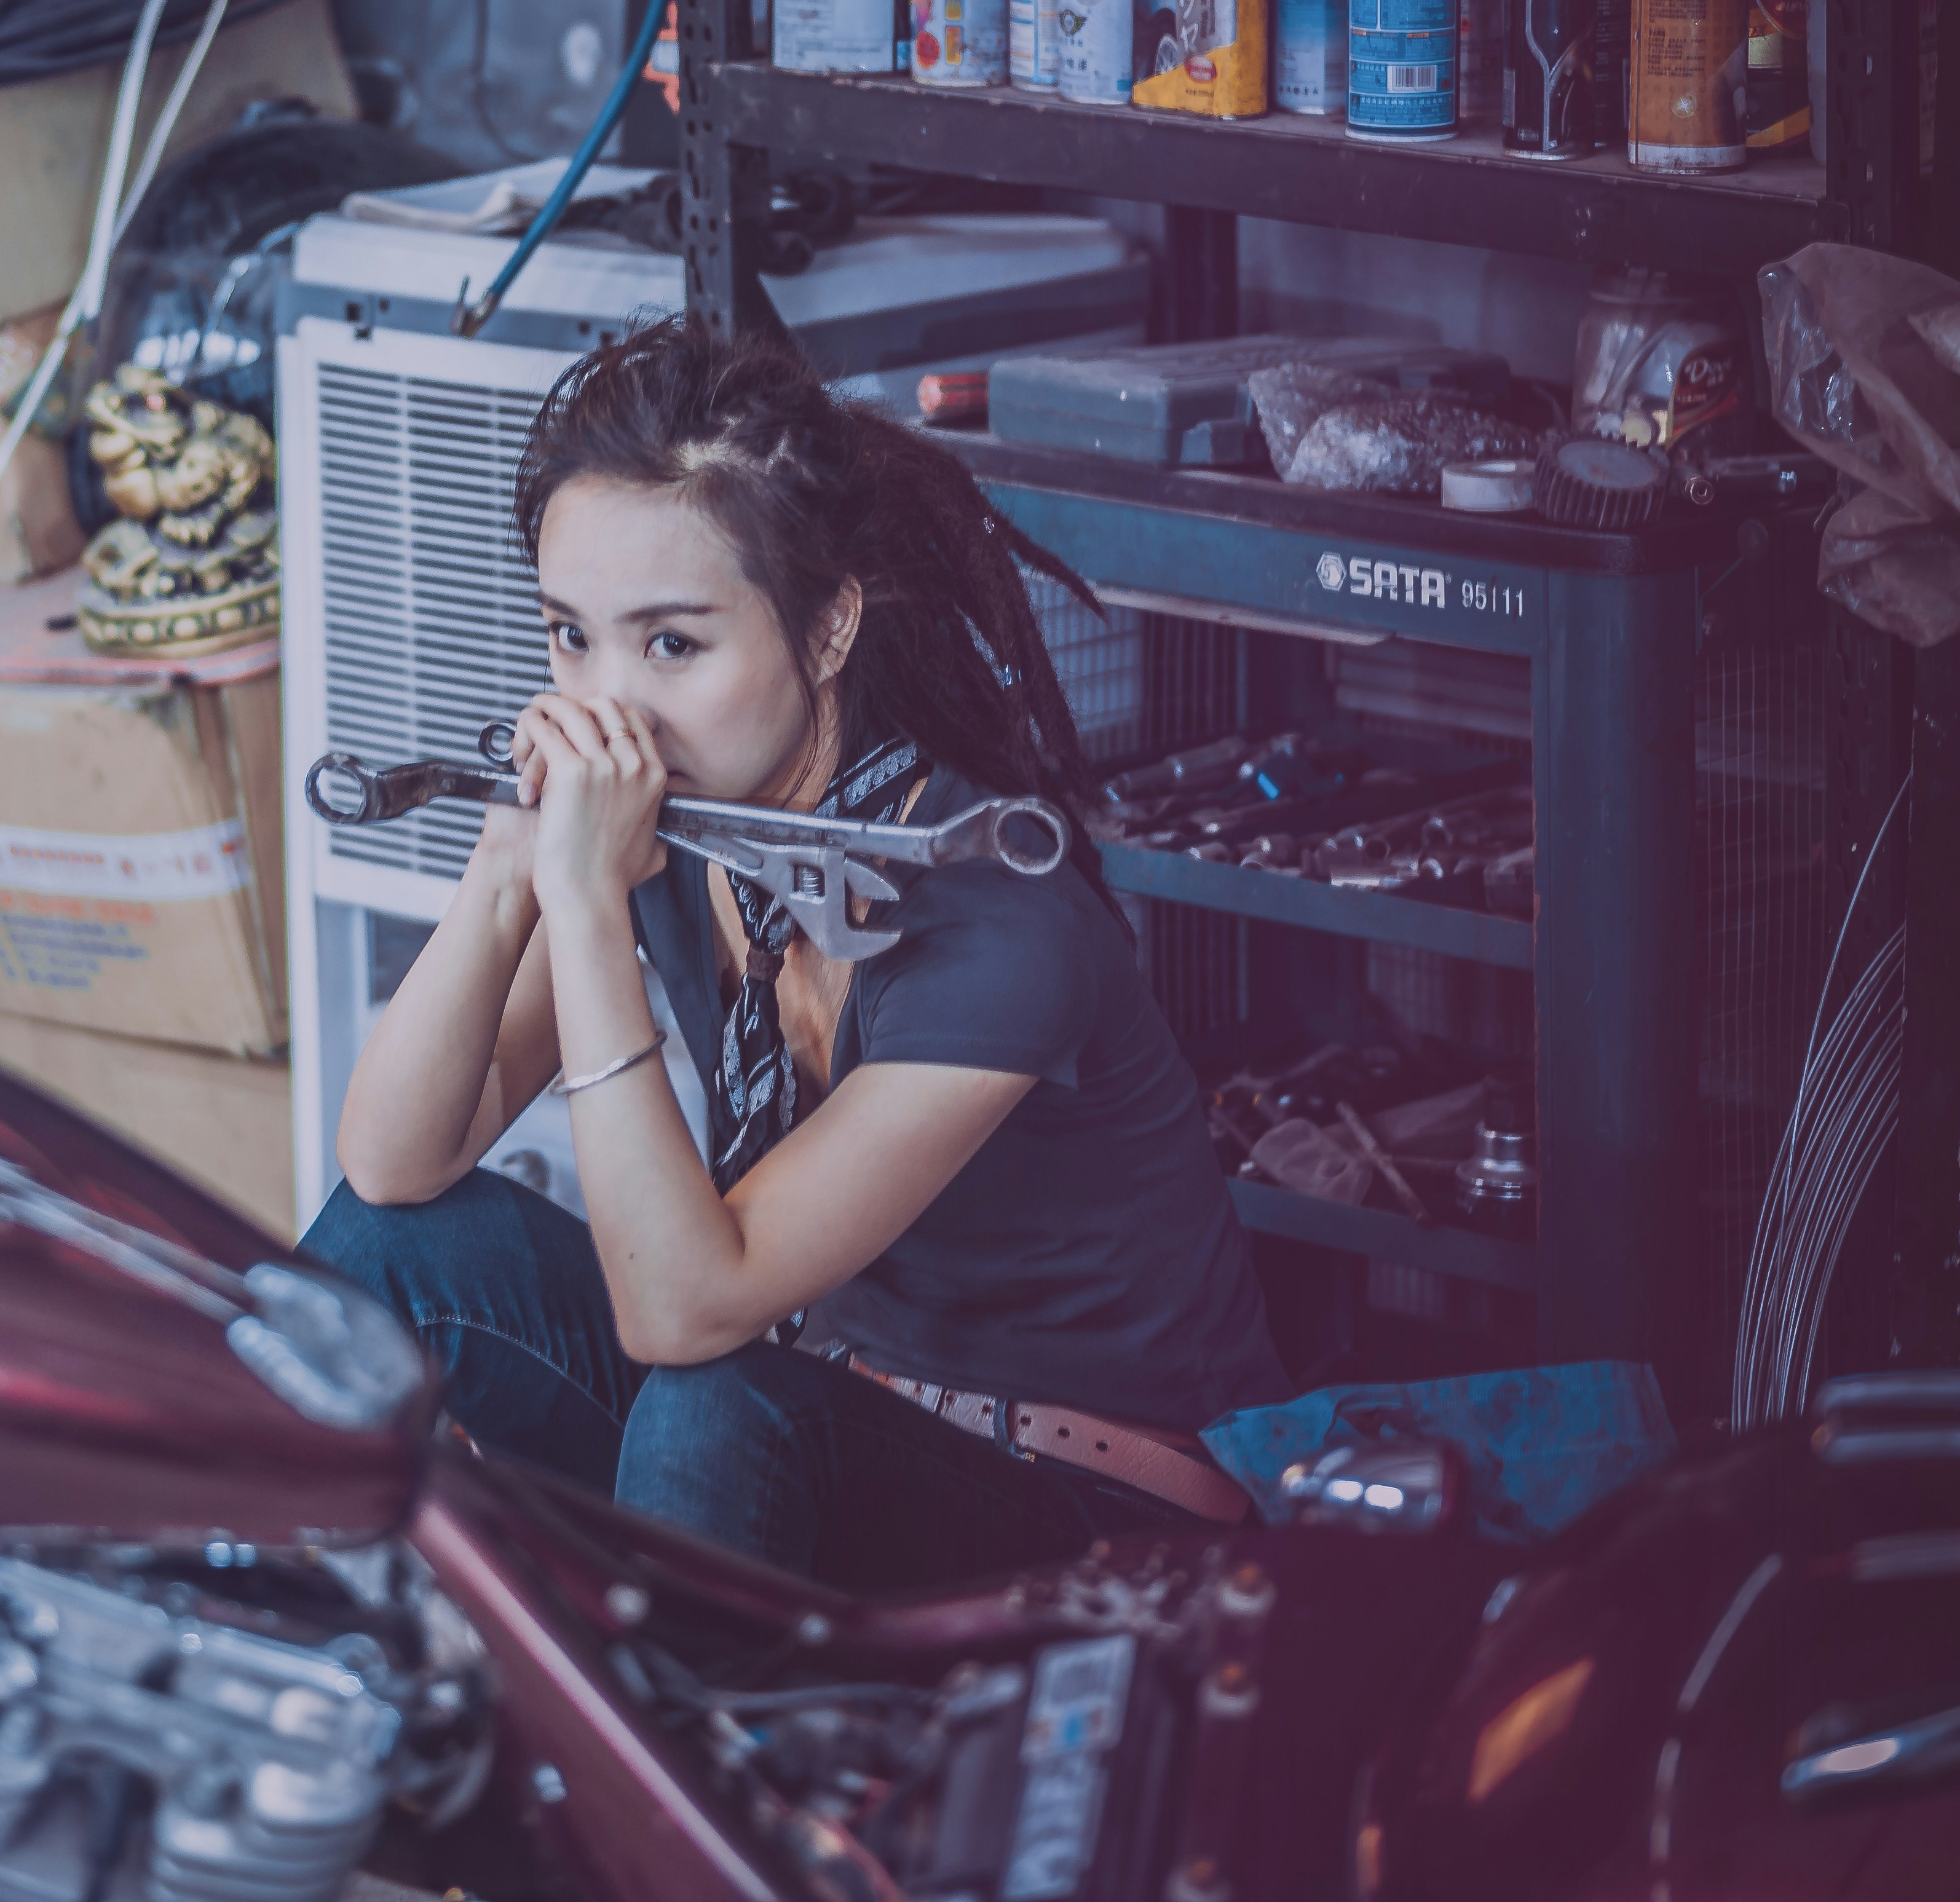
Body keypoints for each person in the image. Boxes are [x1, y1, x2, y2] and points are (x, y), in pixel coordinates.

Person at [303, 316, 1286, 1589]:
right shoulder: (685, 836)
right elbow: (394, 1165)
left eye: (671, 644)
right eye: (569, 637)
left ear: (826, 631)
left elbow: (687, 1308)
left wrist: (590, 914)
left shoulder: (995, 924)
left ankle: (665, 1778)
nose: (607, 707)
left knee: (713, 1395)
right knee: (394, 1262)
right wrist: (511, 872)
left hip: (1098, 1518)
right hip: (827, 1423)